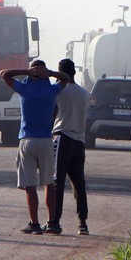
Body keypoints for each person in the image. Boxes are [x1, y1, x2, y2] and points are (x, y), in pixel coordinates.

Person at [1, 60, 69, 235]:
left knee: (30, 186)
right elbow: (66, 78)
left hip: (27, 140)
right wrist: (51, 72)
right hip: (46, 140)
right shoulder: (51, 90)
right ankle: (52, 223)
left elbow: (4, 74)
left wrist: (27, 71)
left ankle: (35, 223)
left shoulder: (24, 89)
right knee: (48, 184)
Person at [47, 58, 90, 236]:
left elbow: (53, 113)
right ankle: (82, 223)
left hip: (62, 137)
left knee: (58, 182)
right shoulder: (84, 93)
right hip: (79, 141)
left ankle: (55, 221)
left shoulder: (59, 92)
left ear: (60, 73)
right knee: (79, 184)